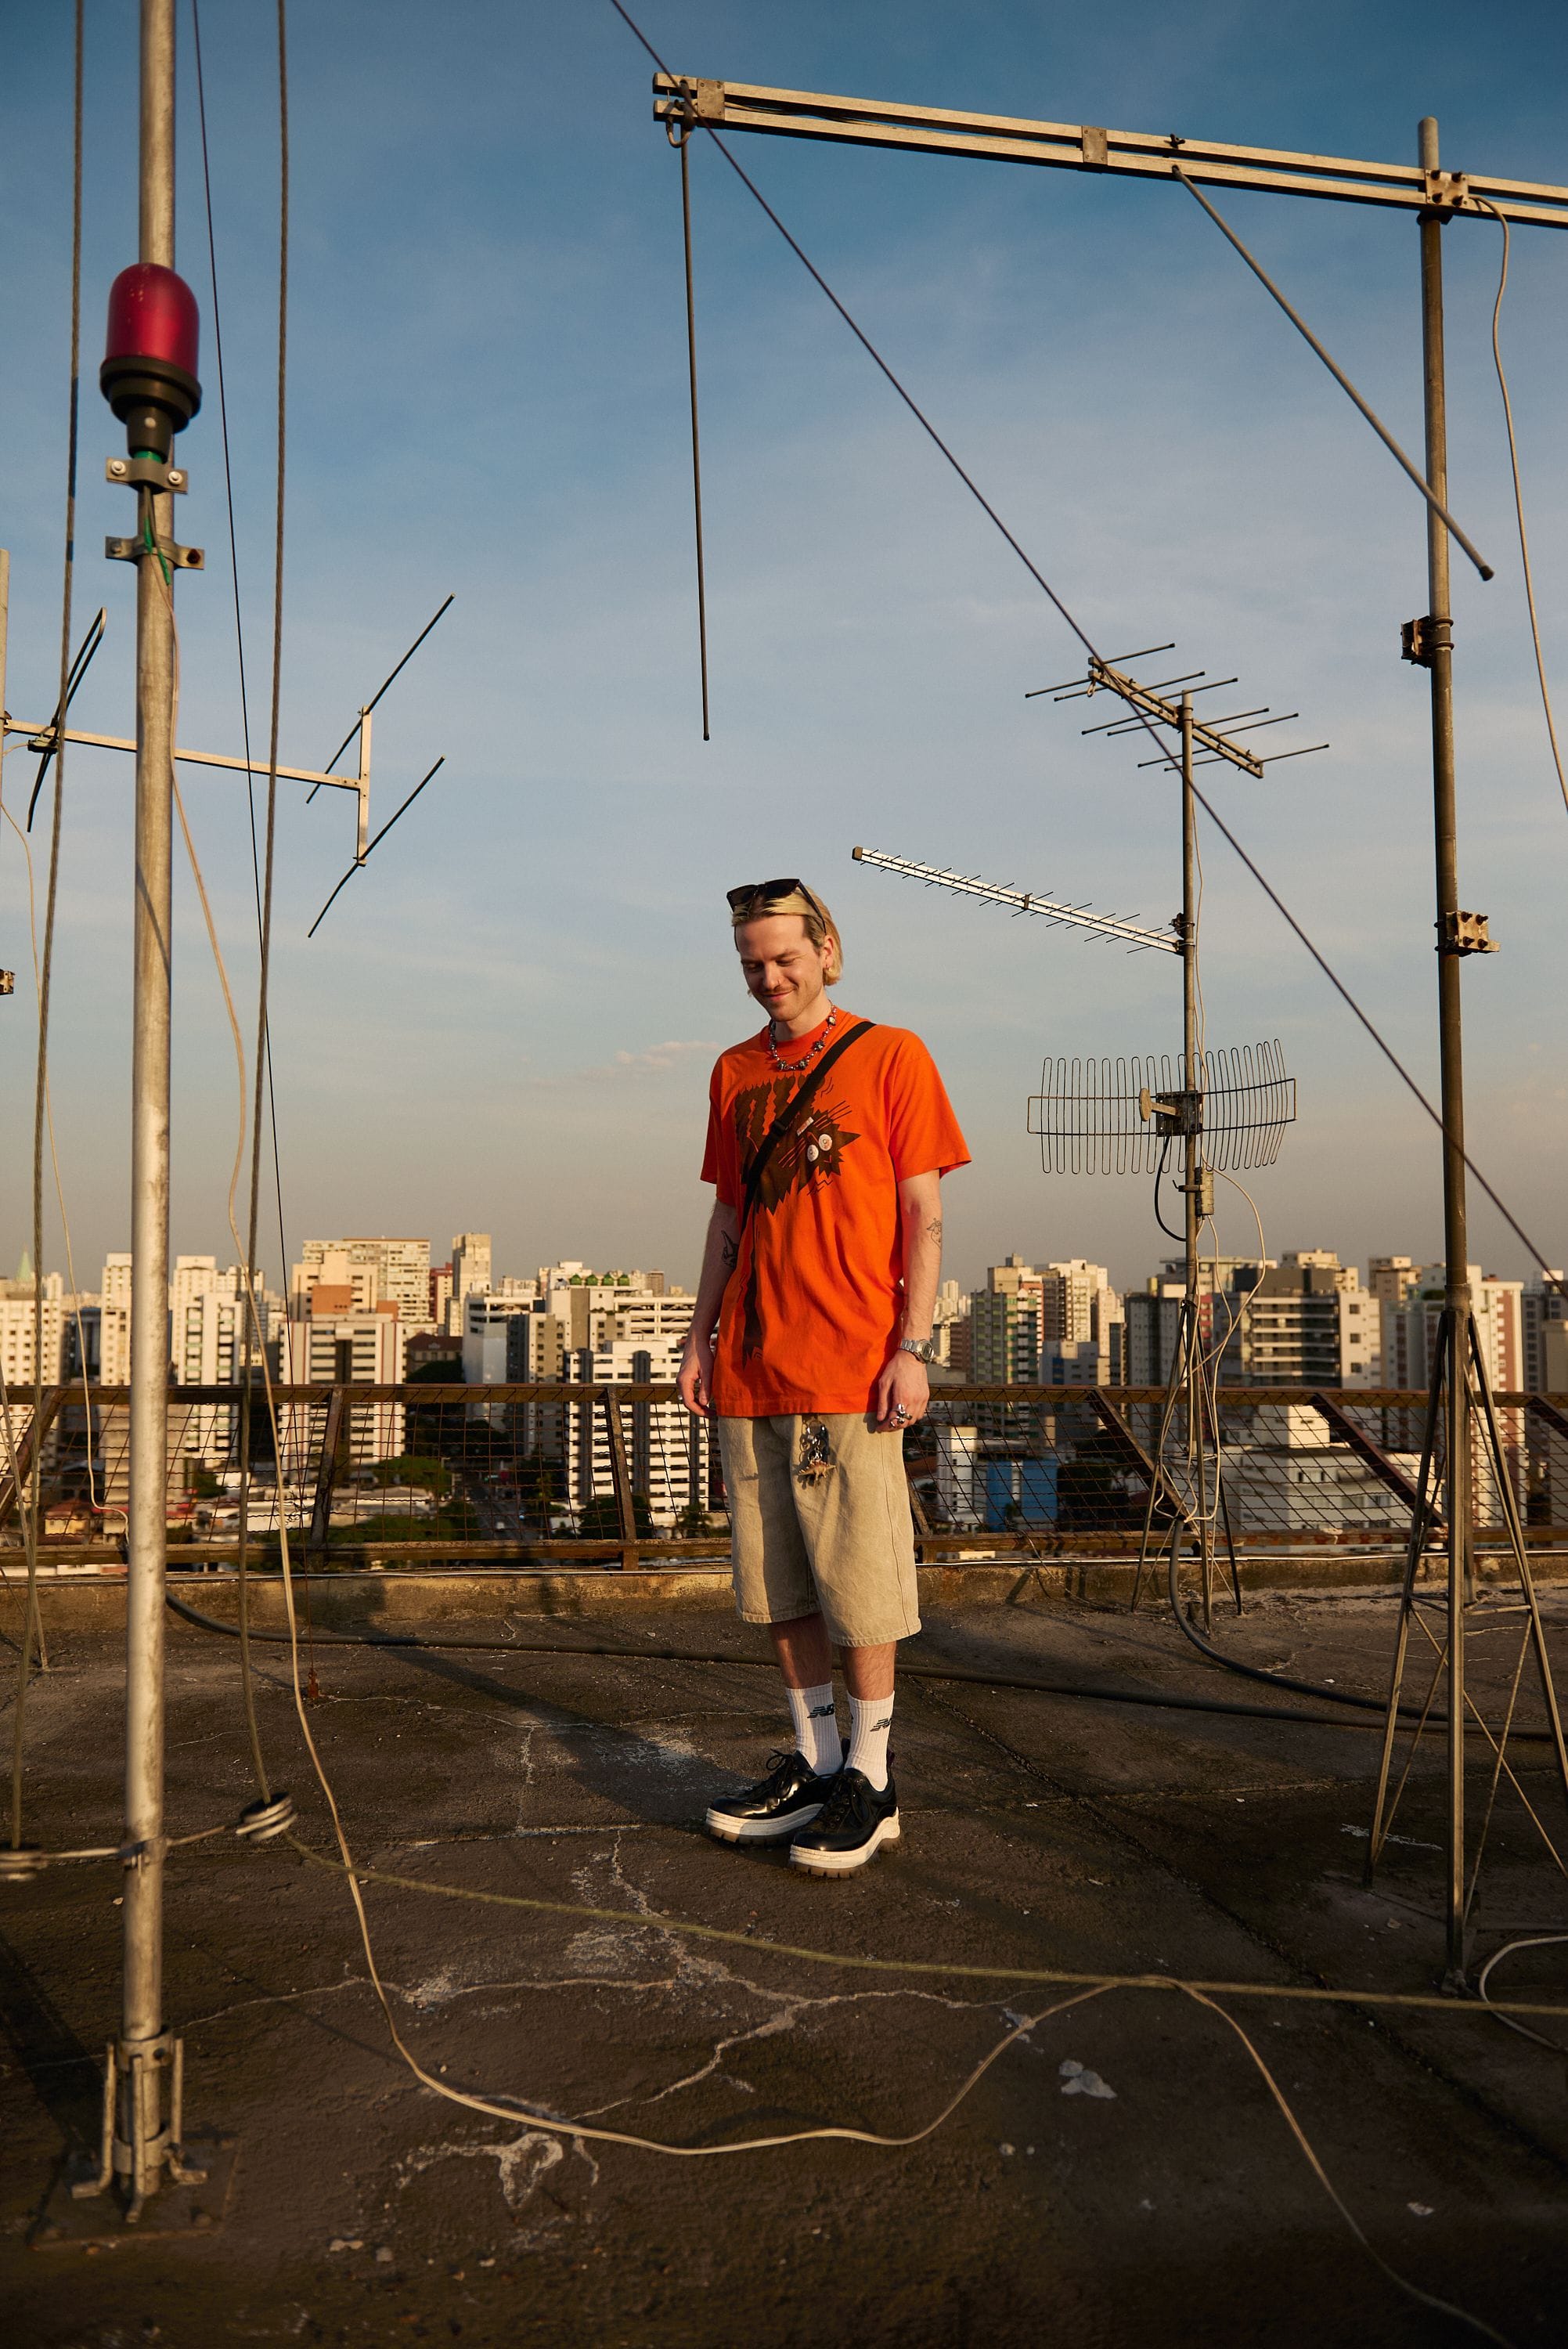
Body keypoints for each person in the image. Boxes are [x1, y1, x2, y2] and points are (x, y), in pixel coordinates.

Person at [678, 879, 969, 1876]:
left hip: (849, 1362)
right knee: (778, 1586)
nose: (769, 977)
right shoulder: (731, 1072)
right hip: (748, 1364)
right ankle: (814, 1762)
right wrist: (695, 1338)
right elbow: (728, 1219)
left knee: (862, 1582)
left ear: (826, 951)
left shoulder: (891, 1055)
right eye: (751, 963)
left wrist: (912, 1345)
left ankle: (873, 1781)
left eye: (784, 957)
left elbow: (921, 1215)